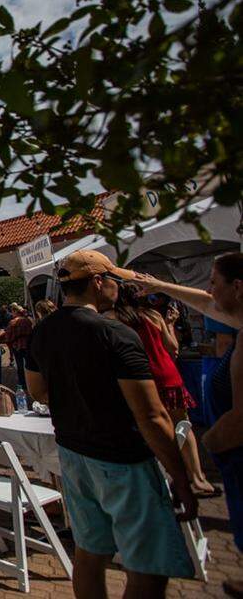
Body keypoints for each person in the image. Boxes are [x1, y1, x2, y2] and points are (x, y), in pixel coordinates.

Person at [26, 250, 195, 597]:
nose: (118, 287)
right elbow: (151, 414)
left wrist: (75, 396)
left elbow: (37, 390)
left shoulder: (43, 332)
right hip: (123, 457)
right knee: (148, 565)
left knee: (89, 552)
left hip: (72, 451)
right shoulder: (114, 333)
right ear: (99, 283)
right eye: (114, 280)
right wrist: (181, 475)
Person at [134, 253, 243, 597]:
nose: (209, 290)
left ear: (237, 288)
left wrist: (214, 441)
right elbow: (209, 305)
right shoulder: (237, 319)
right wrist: (158, 284)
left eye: (214, 282)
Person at [108, 284, 216, 496]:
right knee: (182, 425)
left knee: (155, 428)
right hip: (168, 374)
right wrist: (169, 323)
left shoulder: (117, 321)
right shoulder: (153, 316)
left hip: (142, 379)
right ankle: (197, 476)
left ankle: (174, 475)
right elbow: (172, 347)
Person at [1, 304, 34, 389]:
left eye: (12, 311)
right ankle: (30, 382)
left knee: (20, 366)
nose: (11, 313)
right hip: (28, 345)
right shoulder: (28, 320)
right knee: (29, 364)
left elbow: (8, 337)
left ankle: (23, 383)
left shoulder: (13, 322)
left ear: (15, 311)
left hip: (17, 346)